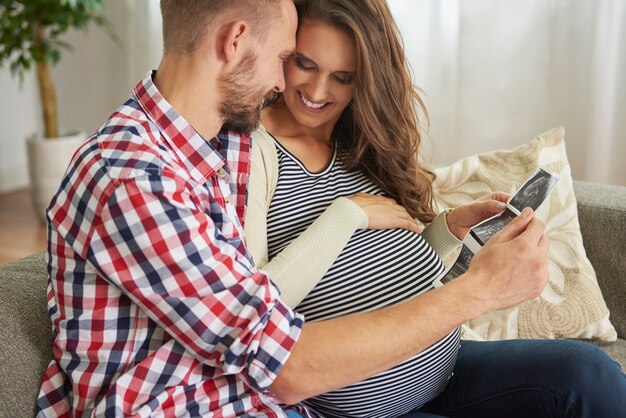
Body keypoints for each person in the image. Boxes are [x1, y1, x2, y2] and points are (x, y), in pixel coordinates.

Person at [244, 0, 626, 417]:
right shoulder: (253, 152)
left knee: (588, 374)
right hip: (360, 406)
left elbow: (376, 266)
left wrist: (448, 231)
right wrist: (346, 214)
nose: (318, 92)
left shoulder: (360, 140)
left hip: (445, 369)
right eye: (305, 64)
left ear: (364, 81)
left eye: (342, 77)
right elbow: (257, 306)